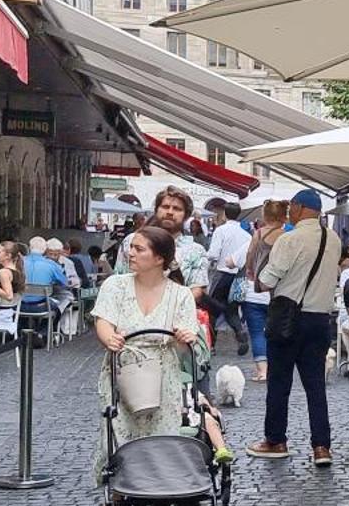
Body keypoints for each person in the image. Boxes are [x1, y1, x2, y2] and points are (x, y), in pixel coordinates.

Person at [92, 226, 231, 464]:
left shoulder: (180, 295)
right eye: (130, 248)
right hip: (123, 371)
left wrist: (183, 339)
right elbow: (103, 319)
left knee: (161, 440)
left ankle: (160, 487)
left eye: (138, 249)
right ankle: (117, 494)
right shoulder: (114, 285)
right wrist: (108, 337)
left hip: (164, 376)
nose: (130, 254)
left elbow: (185, 349)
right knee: (118, 438)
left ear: (159, 258)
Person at [249, 189, 340, 466]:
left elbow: (267, 279)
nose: (289, 212)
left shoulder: (290, 238)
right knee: (315, 386)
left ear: (299, 208)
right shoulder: (333, 239)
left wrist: (260, 276)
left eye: (291, 207)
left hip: (289, 319)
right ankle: (321, 447)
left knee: (279, 382)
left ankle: (276, 441)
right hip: (320, 320)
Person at [117, 186, 209, 304]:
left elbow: (197, 289)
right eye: (165, 207)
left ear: (186, 215)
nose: (170, 212)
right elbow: (119, 277)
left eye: (177, 209)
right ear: (156, 210)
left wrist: (168, 307)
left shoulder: (195, 251)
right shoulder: (132, 241)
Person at [235, 200, 286, 382]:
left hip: (255, 290)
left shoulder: (258, 234)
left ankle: (262, 371)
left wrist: (250, 270)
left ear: (265, 216)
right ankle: (277, 367)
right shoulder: (286, 236)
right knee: (277, 331)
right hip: (278, 291)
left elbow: (250, 255)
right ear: (283, 216)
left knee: (257, 332)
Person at [203, 201, 253, 357]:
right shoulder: (246, 235)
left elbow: (213, 254)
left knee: (212, 309)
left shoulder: (221, 230)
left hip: (222, 273)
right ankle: (239, 331)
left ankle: (211, 345)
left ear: (225, 213)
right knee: (232, 309)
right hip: (239, 275)